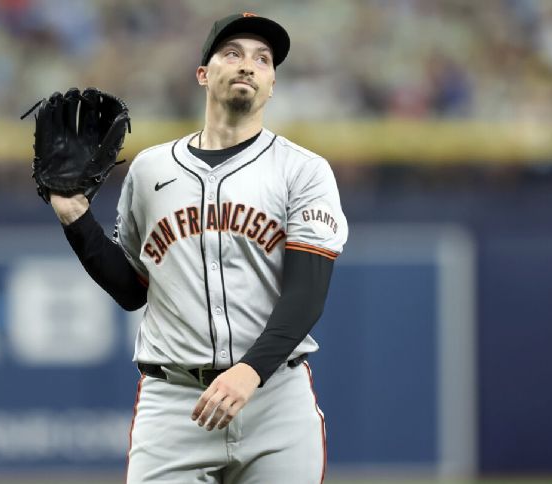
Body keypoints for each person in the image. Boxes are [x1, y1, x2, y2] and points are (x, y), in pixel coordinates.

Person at [49, 12, 347, 483]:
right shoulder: (149, 170)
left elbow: (306, 294)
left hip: (273, 397)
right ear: (203, 75)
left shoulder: (303, 171)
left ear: (272, 84)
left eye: (263, 59)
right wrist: (75, 219)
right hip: (174, 402)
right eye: (233, 53)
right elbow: (132, 290)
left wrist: (250, 371)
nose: (248, 65)